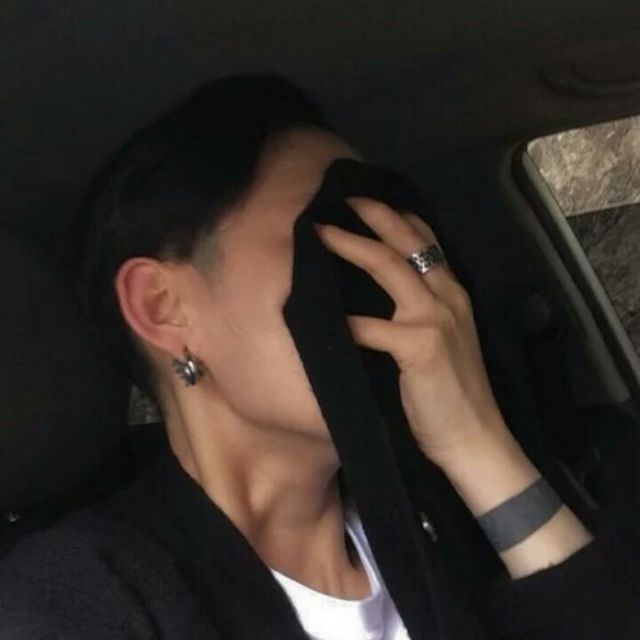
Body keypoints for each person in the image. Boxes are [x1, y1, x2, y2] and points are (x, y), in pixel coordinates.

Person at [0, 73, 639, 640]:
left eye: (399, 243)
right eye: (333, 235)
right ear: (163, 307)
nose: (398, 280)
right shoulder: (82, 595)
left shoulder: (441, 525)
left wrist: (475, 440)